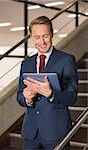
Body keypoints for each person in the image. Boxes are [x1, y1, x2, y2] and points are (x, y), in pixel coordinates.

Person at [17, 16, 78, 150]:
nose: (42, 42)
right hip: (31, 133)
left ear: (52, 34)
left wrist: (51, 94)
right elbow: (19, 95)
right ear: (31, 37)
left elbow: (72, 97)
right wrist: (26, 98)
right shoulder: (26, 64)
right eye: (37, 37)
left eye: (45, 36)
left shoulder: (66, 60)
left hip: (56, 132)